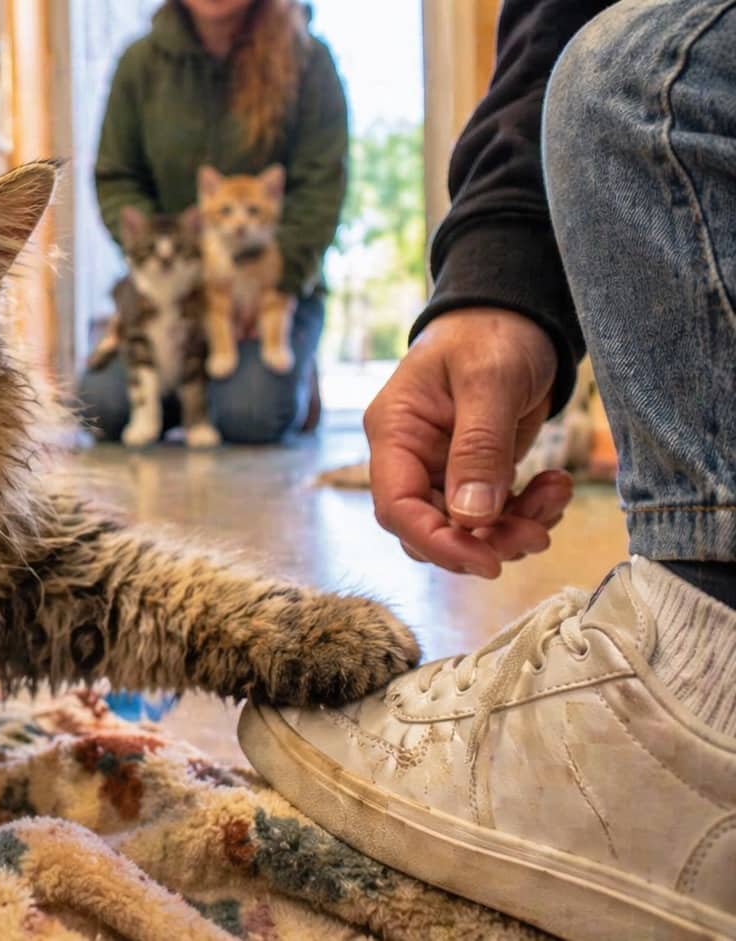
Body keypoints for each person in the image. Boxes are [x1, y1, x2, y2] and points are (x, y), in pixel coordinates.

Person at [238, 1, 736, 938]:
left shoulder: (306, 68)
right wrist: (496, 275)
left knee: (641, 78)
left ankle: (706, 670)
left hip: (279, 278)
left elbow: (311, 197)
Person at [81, 0, 346, 445]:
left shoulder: (309, 59)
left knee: (249, 418)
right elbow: (117, 177)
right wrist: (159, 259)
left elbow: (320, 190)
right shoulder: (141, 63)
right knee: (101, 407)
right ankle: (188, 392)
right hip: (173, 283)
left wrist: (281, 278)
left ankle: (281, 364)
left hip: (265, 288)